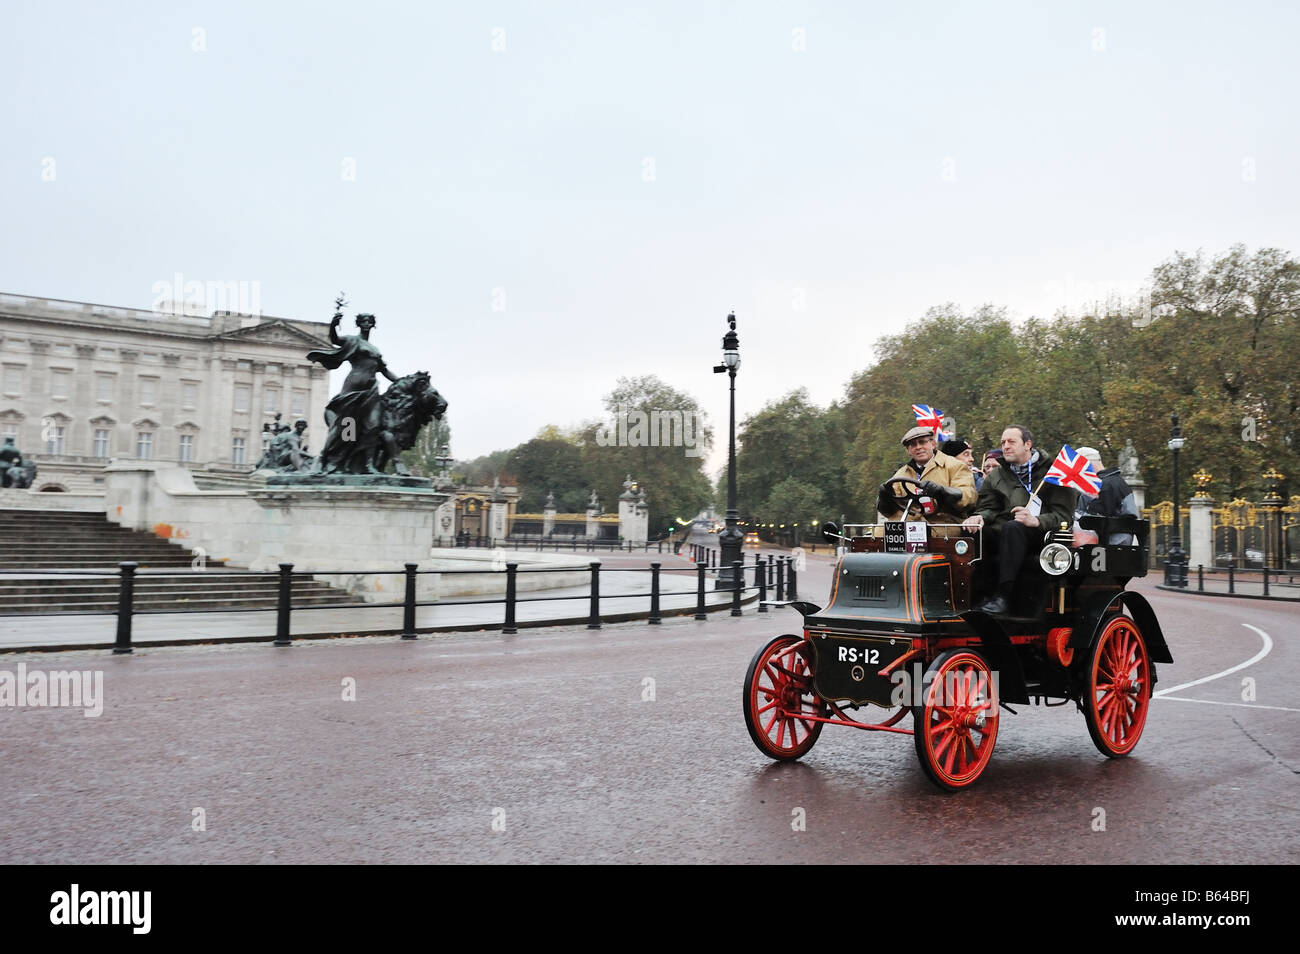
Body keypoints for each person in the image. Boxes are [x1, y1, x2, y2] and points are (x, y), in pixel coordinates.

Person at [962, 425, 1078, 614]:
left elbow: (1064, 516)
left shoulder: (1055, 473)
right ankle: (978, 596)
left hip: (1043, 538)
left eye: (1011, 442)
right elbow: (988, 507)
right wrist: (978, 518)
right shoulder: (998, 474)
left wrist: (1036, 521)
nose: (1005, 446)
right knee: (977, 532)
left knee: (1013, 528)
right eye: (1003, 443)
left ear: (1027, 444)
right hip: (1007, 533)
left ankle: (1003, 596)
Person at [308, 310, 400, 474]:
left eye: (369, 320)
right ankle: (327, 458)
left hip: (371, 390)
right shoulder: (352, 340)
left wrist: (402, 382)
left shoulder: (374, 349)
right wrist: (334, 325)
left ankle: (369, 465)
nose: (367, 323)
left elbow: (386, 371)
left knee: (373, 425)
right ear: (359, 323)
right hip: (353, 389)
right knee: (346, 428)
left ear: (373, 324)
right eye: (363, 320)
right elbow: (335, 340)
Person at [876, 426, 977, 524]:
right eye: (913, 444)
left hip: (945, 522)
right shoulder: (901, 475)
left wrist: (942, 491)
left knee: (921, 534)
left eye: (922, 442)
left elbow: (968, 497)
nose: (918, 447)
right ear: (908, 451)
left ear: (933, 444)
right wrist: (884, 498)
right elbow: (889, 512)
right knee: (879, 533)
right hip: (911, 522)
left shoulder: (955, 466)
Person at [1074, 446, 1138, 545]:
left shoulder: (1100, 487)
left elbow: (1094, 521)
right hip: (1123, 545)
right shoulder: (1121, 483)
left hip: (1106, 547)